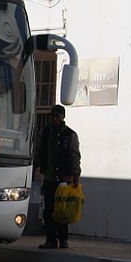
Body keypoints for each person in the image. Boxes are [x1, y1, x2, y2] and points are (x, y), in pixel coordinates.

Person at [34, 104, 81, 249]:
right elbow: (40, 151)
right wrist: (35, 167)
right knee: (48, 210)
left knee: (62, 210)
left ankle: (63, 240)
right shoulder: (46, 132)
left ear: (62, 117)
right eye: (52, 116)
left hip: (63, 178)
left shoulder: (70, 134)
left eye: (57, 116)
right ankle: (51, 240)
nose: (54, 119)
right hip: (49, 177)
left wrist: (75, 174)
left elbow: (74, 156)